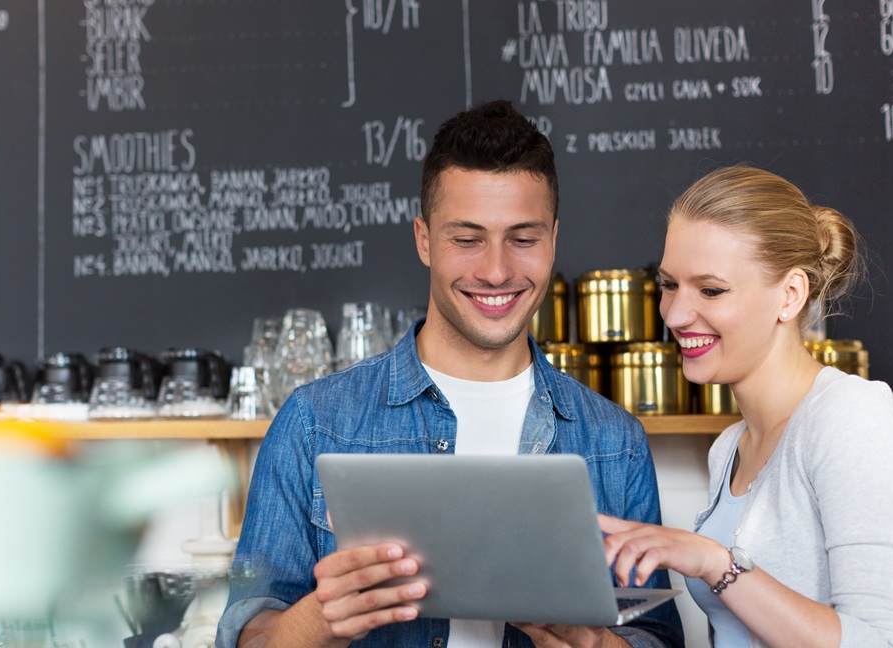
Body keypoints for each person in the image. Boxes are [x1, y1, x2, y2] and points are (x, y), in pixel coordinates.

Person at [216, 100, 685, 648]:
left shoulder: (614, 441)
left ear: (554, 238)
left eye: (523, 238)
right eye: (467, 239)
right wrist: (323, 618)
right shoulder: (315, 422)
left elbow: (656, 638)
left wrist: (592, 643)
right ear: (423, 240)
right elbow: (248, 636)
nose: (496, 270)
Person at [600, 166, 893, 648]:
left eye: (711, 289)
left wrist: (718, 564)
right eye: (669, 284)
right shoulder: (729, 450)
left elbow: (889, 643)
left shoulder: (850, 422)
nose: (675, 314)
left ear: (790, 294)